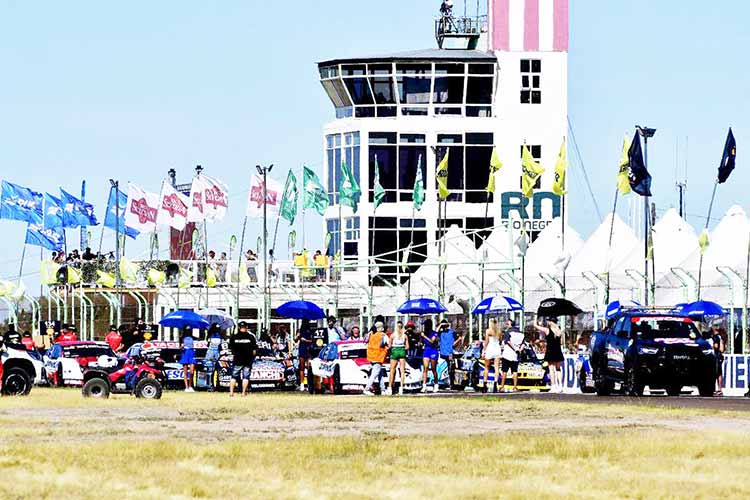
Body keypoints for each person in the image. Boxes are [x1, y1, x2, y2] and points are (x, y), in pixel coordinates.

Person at [533, 317, 565, 393]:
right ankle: (560, 386)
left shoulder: (547, 330)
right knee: (558, 369)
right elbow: (561, 342)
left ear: (550, 322)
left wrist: (536, 316)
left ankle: (554, 385)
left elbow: (535, 325)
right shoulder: (559, 331)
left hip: (550, 350)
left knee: (551, 369)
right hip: (558, 350)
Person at [229, 321, 257, 397]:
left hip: (237, 360)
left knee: (234, 376)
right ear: (247, 327)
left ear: (238, 327)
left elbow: (231, 349)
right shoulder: (251, 337)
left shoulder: (233, 337)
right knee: (245, 377)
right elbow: (254, 351)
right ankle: (243, 393)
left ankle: (231, 393)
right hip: (247, 360)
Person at [364, 321, 389, 396]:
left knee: (379, 374)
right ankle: (367, 389)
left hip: (371, 356)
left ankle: (383, 389)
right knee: (374, 374)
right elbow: (389, 343)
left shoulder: (370, 334)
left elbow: (365, 341)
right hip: (379, 356)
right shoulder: (383, 335)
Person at [499, 322, 525, 392]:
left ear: (510, 325)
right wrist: (519, 350)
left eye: (507, 324)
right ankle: (515, 387)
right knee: (515, 371)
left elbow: (508, 342)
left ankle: (502, 387)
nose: (506, 325)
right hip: (515, 356)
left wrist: (514, 348)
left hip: (507, 354)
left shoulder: (508, 332)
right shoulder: (521, 334)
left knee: (504, 371)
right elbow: (523, 344)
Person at [438, 319, 462, 390]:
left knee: (451, 368)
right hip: (442, 353)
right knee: (441, 368)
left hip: (450, 353)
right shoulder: (440, 333)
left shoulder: (451, 332)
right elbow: (436, 332)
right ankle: (441, 382)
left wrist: (454, 344)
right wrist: (440, 325)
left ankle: (451, 383)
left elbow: (459, 338)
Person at [387, 321, 409, 395]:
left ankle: (390, 387)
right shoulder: (404, 335)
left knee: (392, 370)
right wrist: (403, 349)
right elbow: (407, 347)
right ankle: (401, 388)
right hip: (402, 351)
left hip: (395, 350)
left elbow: (389, 346)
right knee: (402, 370)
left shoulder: (393, 335)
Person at [482, 318, 503, 393]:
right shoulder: (499, 331)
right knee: (496, 368)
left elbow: (486, 341)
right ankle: (495, 384)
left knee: (486, 368)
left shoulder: (488, 331)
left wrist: (484, 350)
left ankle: (485, 384)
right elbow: (500, 341)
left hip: (490, 349)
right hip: (497, 349)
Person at [421, 319, 440, 393]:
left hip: (433, 350)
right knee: (425, 368)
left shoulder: (434, 333)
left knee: (433, 368)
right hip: (426, 350)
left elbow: (432, 341)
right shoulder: (424, 333)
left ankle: (436, 384)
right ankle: (424, 385)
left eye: (425, 325)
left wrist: (424, 336)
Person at [295, 320, 314, 391]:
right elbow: (295, 340)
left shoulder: (310, 331)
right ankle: (302, 384)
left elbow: (313, 340)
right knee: (301, 366)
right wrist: (298, 336)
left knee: (309, 367)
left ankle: (310, 383)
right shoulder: (299, 331)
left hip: (308, 349)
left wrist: (306, 340)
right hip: (302, 349)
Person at [205, 323, 223, 392]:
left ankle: (216, 385)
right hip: (211, 353)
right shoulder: (210, 335)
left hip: (216, 353)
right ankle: (210, 385)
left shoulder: (219, 335)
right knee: (210, 370)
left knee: (217, 370)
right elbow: (208, 344)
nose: (217, 330)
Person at [711, 321, 725, 396]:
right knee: (719, 373)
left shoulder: (716, 337)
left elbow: (716, 346)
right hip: (719, 356)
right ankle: (719, 389)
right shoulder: (720, 336)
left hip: (717, 356)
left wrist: (710, 345)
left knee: (717, 372)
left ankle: (718, 389)